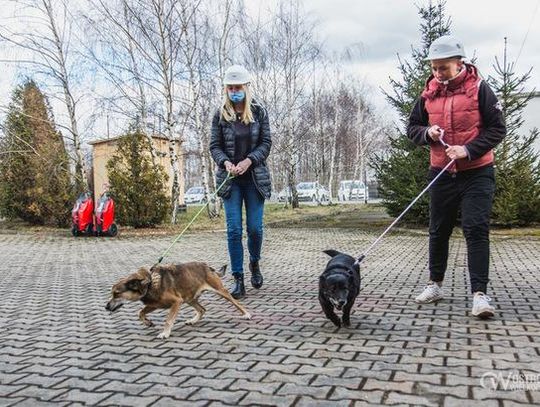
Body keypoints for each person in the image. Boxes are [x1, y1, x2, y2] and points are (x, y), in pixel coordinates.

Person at [407, 35, 506, 318]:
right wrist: (427, 133)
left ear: (459, 63)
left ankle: (480, 295)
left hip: (477, 173)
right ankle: (435, 284)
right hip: (441, 172)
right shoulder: (429, 92)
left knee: (475, 229)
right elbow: (412, 127)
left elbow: (498, 129)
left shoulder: (480, 89)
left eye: (443, 68)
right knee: (438, 231)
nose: (438, 74)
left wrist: (468, 149)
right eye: (434, 68)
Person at [210, 65, 272, 299]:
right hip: (230, 181)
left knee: (254, 229)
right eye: (230, 87)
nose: (234, 91)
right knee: (234, 230)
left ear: (246, 87)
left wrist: (249, 161)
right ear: (226, 89)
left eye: (238, 87)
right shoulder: (220, 114)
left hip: (255, 179)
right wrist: (226, 162)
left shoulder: (259, 111)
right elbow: (214, 146)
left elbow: (266, 143)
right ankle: (238, 279)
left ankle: (254, 262)